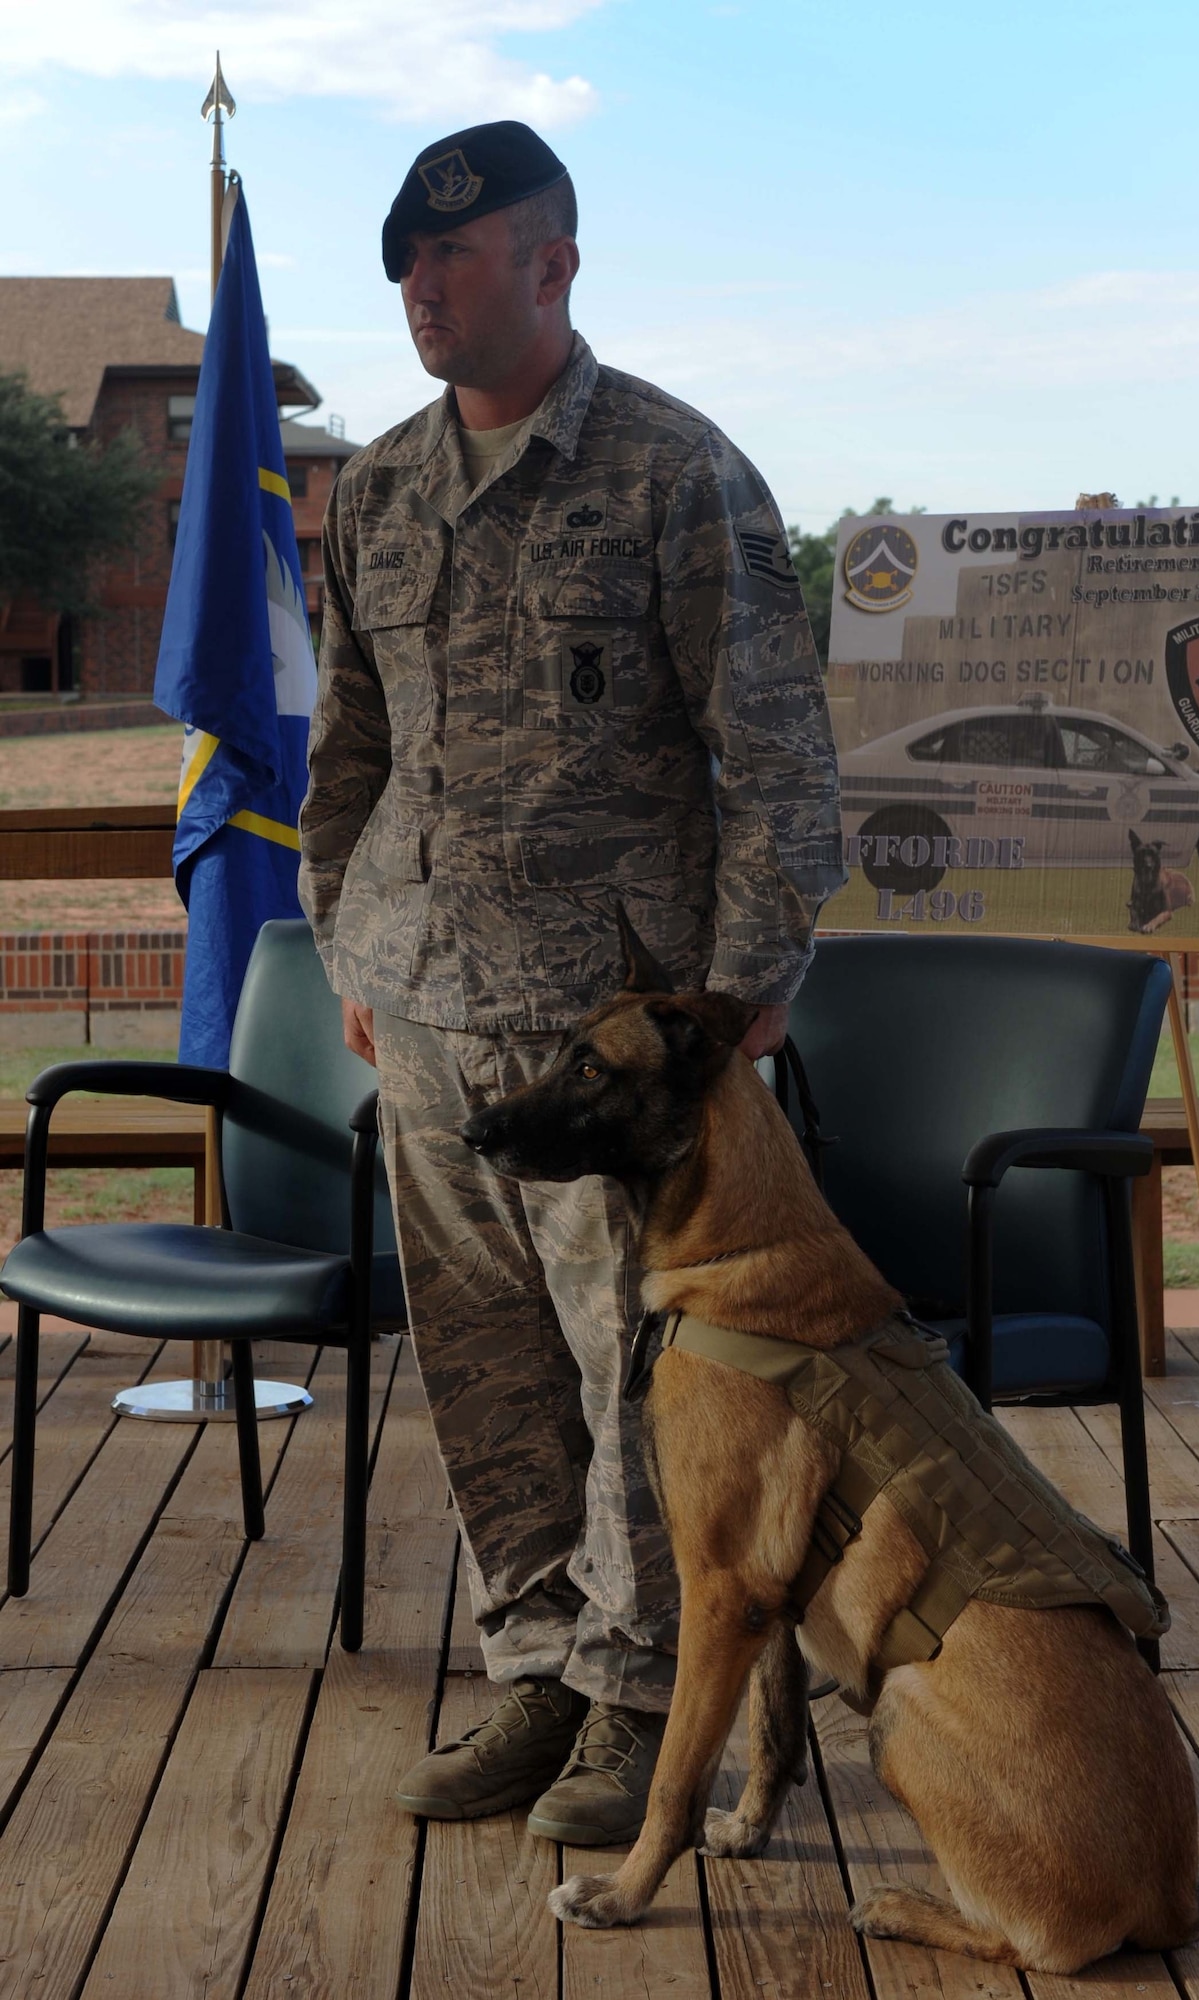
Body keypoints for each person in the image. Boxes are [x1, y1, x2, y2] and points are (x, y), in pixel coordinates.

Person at [298, 120, 844, 1844]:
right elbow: (347, 751)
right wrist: (347, 944)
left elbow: (778, 759)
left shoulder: (681, 476)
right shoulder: (376, 489)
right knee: (481, 1360)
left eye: (455, 259)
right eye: (406, 264)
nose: (420, 290)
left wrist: (745, 987)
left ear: (555, 263)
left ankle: (636, 1696)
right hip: (431, 1016)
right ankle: (535, 1665)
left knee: (632, 1369)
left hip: (614, 1052)